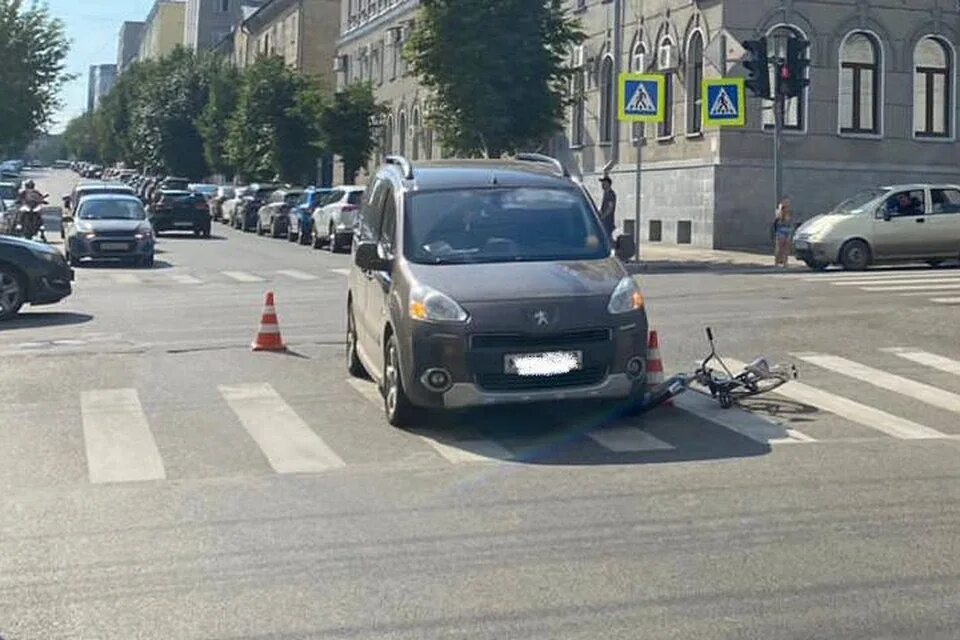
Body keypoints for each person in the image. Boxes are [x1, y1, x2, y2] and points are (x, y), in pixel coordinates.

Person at [772, 196, 794, 267]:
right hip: (781, 230)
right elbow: (778, 218)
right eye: (785, 202)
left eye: (788, 202)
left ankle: (785, 262)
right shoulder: (779, 210)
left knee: (786, 247)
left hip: (788, 229)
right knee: (780, 247)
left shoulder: (790, 211)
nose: (787, 203)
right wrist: (780, 209)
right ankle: (776, 262)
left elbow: (790, 220)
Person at [599, 176, 617, 240]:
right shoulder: (605, 194)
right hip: (604, 221)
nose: (602, 185)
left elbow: (610, 208)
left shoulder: (610, 194)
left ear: (608, 184)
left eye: (604, 183)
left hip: (607, 221)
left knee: (607, 238)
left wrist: (602, 217)